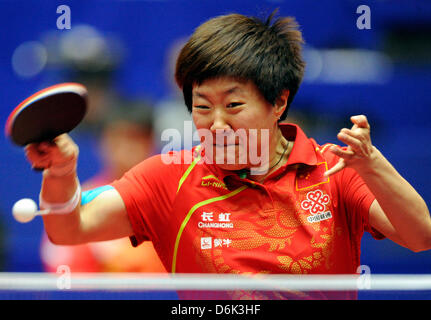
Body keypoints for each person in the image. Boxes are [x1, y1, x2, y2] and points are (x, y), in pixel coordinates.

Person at [25, 11, 431, 299]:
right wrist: (61, 172)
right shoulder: (168, 177)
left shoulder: (334, 169)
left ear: (278, 102)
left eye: (233, 107)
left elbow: (420, 236)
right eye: (202, 107)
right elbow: (70, 229)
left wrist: (373, 165)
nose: (216, 124)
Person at [39, 103, 167, 273]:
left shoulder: (172, 199)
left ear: (151, 142)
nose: (126, 148)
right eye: (118, 137)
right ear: (103, 142)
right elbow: (64, 272)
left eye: (136, 138)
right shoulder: (80, 202)